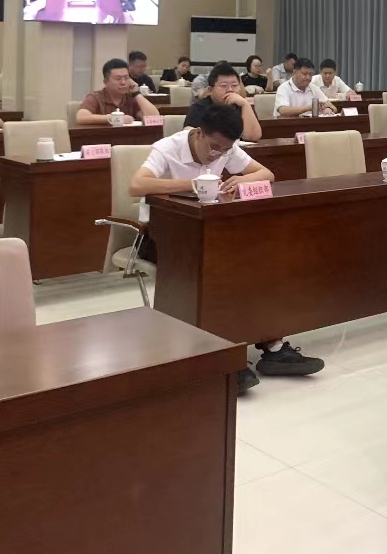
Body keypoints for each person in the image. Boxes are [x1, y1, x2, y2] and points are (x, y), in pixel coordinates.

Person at [129, 102, 323, 393]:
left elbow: (266, 174)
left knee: (261, 261)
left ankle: (273, 347)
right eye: (214, 148)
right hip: (164, 237)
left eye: (225, 150)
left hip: (211, 233)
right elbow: (136, 185)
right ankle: (225, 355)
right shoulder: (168, 147)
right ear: (199, 133)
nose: (217, 155)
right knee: (224, 271)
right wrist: (192, 184)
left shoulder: (226, 147)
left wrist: (241, 179)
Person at [186, 62, 262, 141]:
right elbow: (191, 138)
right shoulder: (199, 108)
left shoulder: (242, 105)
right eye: (224, 86)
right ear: (210, 90)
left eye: (234, 85)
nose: (230, 90)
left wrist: (245, 104)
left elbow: (253, 137)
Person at [77, 58, 161, 125]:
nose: (123, 82)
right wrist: (113, 118)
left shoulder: (131, 98)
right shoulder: (95, 97)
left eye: (126, 78)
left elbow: (154, 118)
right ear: (105, 82)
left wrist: (137, 93)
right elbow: (81, 117)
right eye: (118, 79)